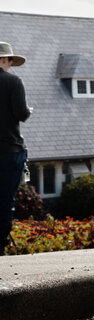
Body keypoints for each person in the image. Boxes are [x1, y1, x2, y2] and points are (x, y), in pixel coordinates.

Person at [1, 41, 32, 254]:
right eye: (10, 60)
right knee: (5, 201)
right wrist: (28, 111)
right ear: (4, 59)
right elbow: (21, 114)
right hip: (9, 152)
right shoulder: (13, 82)